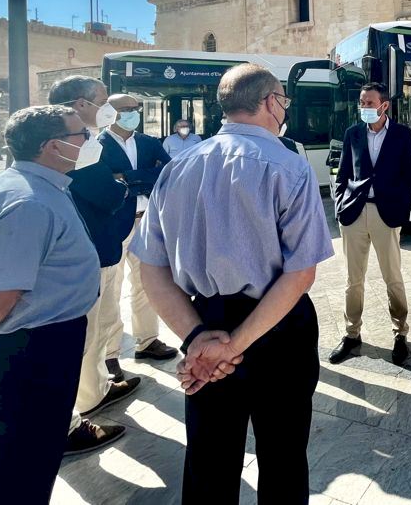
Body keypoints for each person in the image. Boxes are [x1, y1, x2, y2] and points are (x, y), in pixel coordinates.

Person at [131, 63, 333, 503]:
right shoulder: (289, 167)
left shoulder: (177, 168)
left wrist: (198, 339)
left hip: (204, 323)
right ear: (270, 102)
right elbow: (300, 272)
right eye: (283, 100)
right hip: (278, 325)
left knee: (209, 459)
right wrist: (235, 344)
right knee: (283, 455)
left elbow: (152, 269)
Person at [0, 105, 100, 503]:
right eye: (81, 135)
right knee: (24, 462)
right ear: (52, 146)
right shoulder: (27, 203)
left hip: (34, 345)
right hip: (30, 352)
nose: (89, 141)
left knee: (7, 452)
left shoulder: (37, 186)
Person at [49, 75, 135, 454]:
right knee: (81, 337)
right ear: (80, 104)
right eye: (103, 100)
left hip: (97, 247)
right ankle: (70, 422)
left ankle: (94, 391)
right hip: (86, 254)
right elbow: (109, 192)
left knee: (96, 329)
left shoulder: (83, 141)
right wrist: (120, 185)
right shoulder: (70, 145)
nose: (108, 108)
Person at [329, 82, 411, 366]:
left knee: (393, 278)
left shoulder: (402, 135)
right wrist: (341, 205)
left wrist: (400, 211)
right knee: (353, 280)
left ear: (384, 105)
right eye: (362, 102)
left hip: (386, 215)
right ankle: (351, 334)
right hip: (354, 214)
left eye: (369, 103)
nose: (364, 107)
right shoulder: (353, 133)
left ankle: (400, 334)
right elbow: (343, 174)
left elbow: (410, 179)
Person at [99, 94, 178, 384]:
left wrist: (128, 177)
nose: (133, 113)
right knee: (111, 290)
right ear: (110, 112)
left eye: (136, 109)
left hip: (147, 221)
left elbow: (168, 171)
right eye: (126, 109)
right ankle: (109, 355)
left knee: (146, 284)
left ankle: (148, 341)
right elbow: (104, 182)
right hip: (114, 225)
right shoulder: (97, 145)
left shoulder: (148, 142)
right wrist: (144, 178)